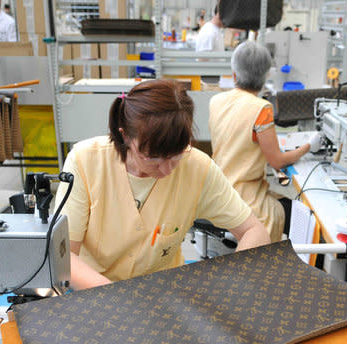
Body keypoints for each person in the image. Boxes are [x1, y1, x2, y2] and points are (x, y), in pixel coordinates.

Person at [55, 79, 270, 290]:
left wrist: (227, 285)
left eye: (176, 156)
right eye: (153, 158)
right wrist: (117, 300)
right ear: (126, 136)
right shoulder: (85, 162)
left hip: (165, 295)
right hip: (97, 292)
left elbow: (254, 231)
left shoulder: (197, 167)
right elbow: (65, 256)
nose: (167, 170)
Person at [209, 41, 310, 242]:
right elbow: (277, 162)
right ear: (266, 76)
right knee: (303, 218)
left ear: (234, 73)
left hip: (216, 192)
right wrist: (306, 147)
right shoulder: (261, 108)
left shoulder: (216, 101)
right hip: (243, 198)